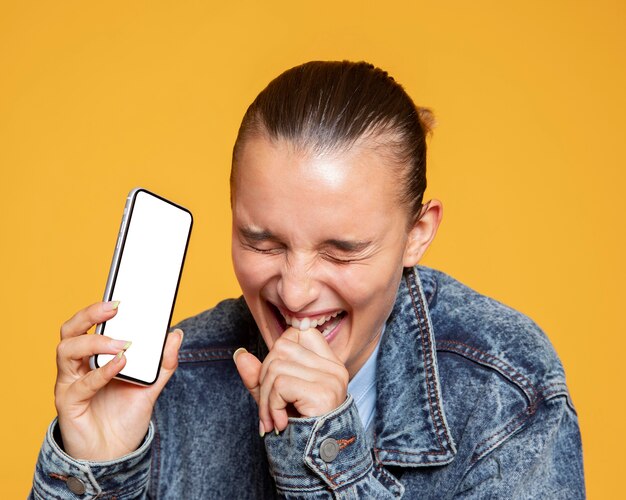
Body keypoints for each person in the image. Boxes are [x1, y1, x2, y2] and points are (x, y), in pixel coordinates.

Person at [30, 61, 585, 499]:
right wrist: (95, 470)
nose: (294, 293)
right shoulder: (172, 381)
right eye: (262, 242)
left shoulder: (507, 391)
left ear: (417, 233)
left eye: (342, 251)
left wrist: (329, 450)